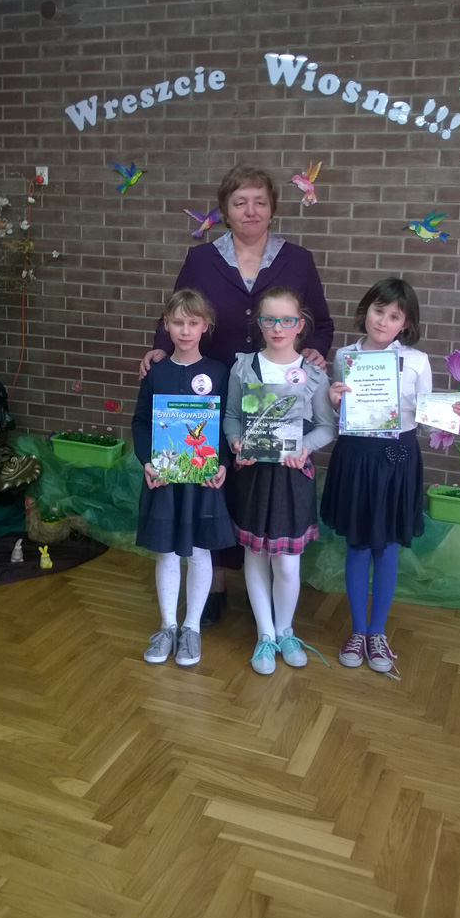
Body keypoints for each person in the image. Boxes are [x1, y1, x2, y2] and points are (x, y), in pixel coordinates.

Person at [139, 164, 334, 623]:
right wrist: (160, 349)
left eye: (260, 202)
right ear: (225, 210)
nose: (250, 210)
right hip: (211, 387)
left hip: (273, 390)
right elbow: (179, 310)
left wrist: (315, 351)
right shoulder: (201, 259)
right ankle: (214, 586)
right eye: (240, 202)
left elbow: (321, 323)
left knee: (257, 482)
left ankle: (264, 587)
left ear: (273, 208)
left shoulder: (298, 259)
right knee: (214, 477)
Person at [320, 277, 460, 678]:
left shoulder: (417, 360)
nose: (383, 321)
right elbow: (339, 415)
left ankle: (377, 633)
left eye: (394, 316)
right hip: (356, 457)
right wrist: (333, 401)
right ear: (365, 311)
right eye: (378, 310)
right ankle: (357, 631)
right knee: (357, 545)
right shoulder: (345, 356)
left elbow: (425, 414)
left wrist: (450, 417)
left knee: (385, 547)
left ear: (406, 324)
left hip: (396, 458)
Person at [223, 287, 336, 674]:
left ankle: (286, 630)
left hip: (292, 478)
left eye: (287, 320)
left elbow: (327, 427)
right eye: (269, 319)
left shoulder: (313, 374)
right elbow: (231, 417)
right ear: (259, 323)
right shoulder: (244, 367)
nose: (277, 327)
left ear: (300, 325)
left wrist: (305, 446)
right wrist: (235, 441)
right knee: (255, 556)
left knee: (286, 565)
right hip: (253, 476)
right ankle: (265, 635)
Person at [132, 289, 235, 668]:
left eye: (193, 323)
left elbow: (225, 425)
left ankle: (192, 628)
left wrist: (223, 463)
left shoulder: (219, 372)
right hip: (164, 479)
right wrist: (147, 461)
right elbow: (141, 422)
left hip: (202, 481)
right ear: (166, 325)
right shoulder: (155, 372)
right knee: (167, 553)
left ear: (205, 326)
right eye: (178, 322)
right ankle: (168, 626)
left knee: (200, 553)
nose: (185, 330)